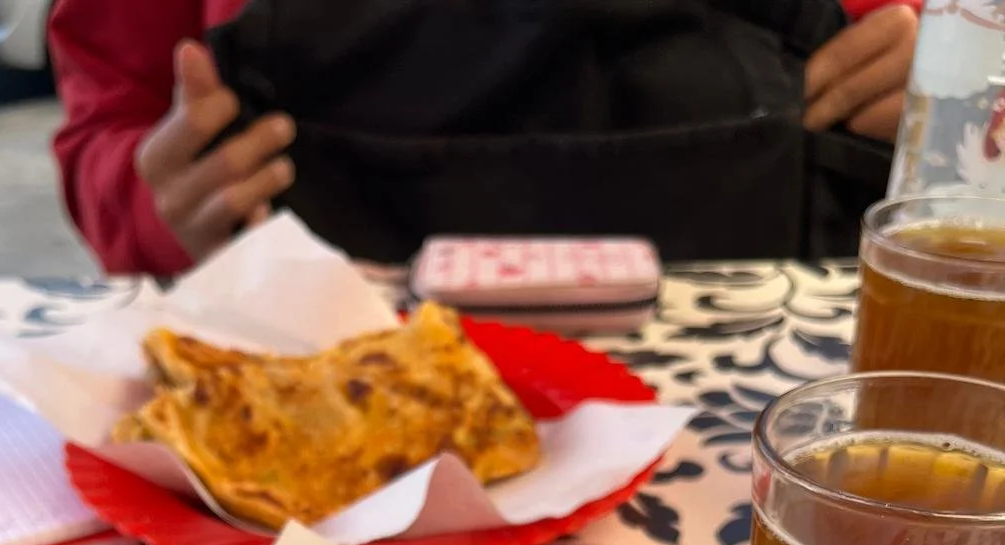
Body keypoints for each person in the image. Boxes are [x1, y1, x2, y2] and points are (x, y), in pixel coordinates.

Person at [49, 0, 919, 276]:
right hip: (311, 427)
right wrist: (151, 201)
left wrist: (952, 91)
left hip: (758, 449)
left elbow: (962, 103)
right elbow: (108, 125)